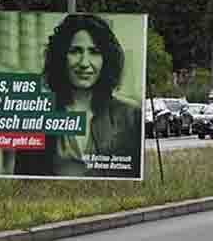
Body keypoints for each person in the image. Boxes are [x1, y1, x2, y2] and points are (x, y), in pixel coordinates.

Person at [14, 14, 142, 178]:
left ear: (106, 59)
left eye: (94, 52)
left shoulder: (130, 116)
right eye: (75, 51)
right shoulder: (34, 116)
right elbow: (23, 180)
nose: (84, 63)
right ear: (61, 57)